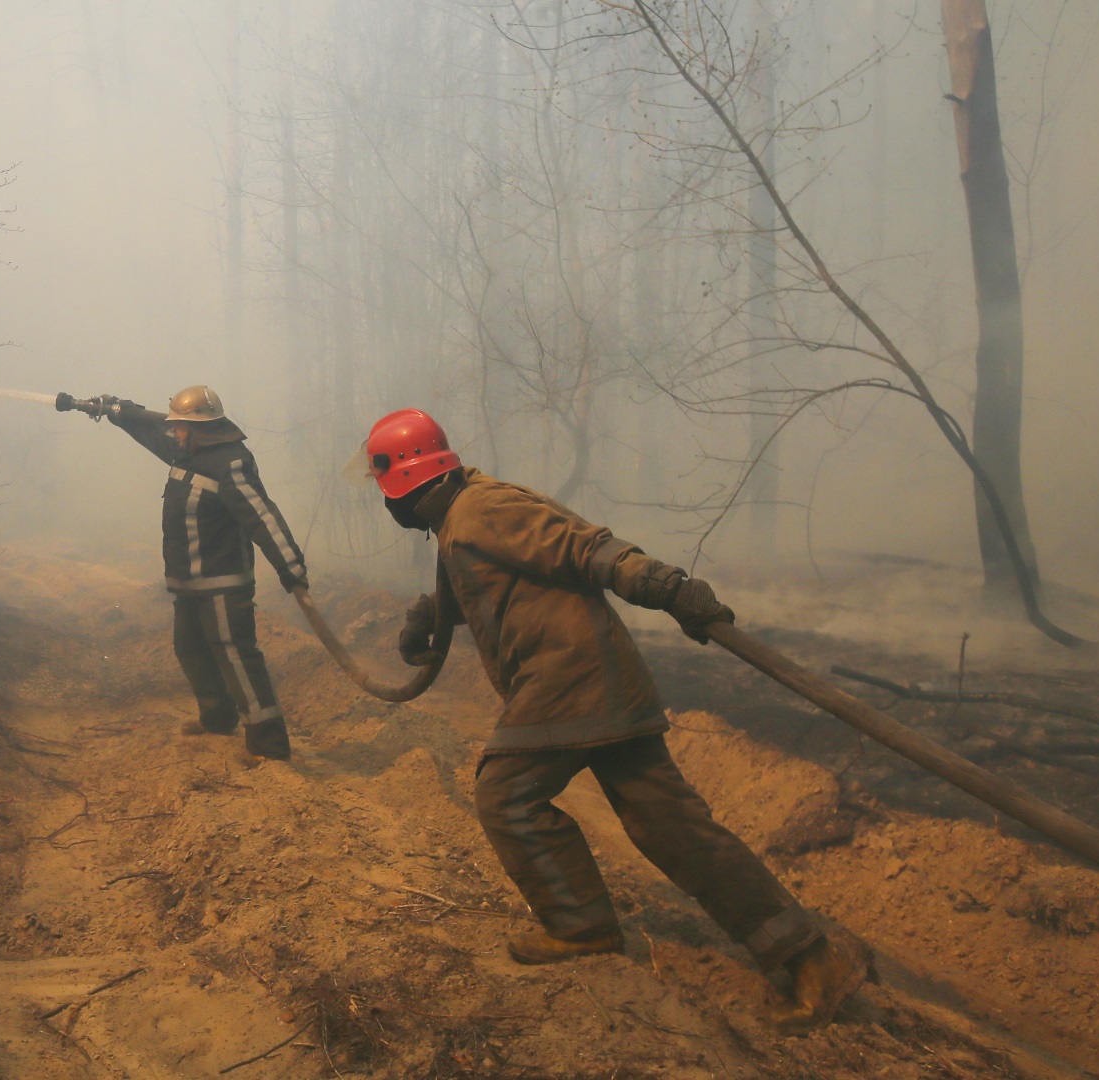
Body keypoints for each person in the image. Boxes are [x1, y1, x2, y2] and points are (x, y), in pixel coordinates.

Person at [364, 407, 866, 1034]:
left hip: (571, 680)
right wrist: (431, 615)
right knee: (670, 825)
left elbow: (583, 546)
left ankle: (581, 927)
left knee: (506, 794)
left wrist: (666, 586)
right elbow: (494, 583)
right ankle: (808, 955)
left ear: (398, 479)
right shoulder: (461, 517)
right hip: (597, 679)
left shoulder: (481, 509)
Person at [59, 385, 307, 760]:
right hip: (188, 583)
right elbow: (149, 430)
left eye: (180, 427)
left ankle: (268, 744)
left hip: (222, 585)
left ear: (199, 427)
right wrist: (117, 411)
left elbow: (263, 516)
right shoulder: (185, 452)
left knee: (236, 658)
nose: (173, 432)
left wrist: (290, 567)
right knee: (189, 649)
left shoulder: (231, 463)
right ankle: (217, 719)